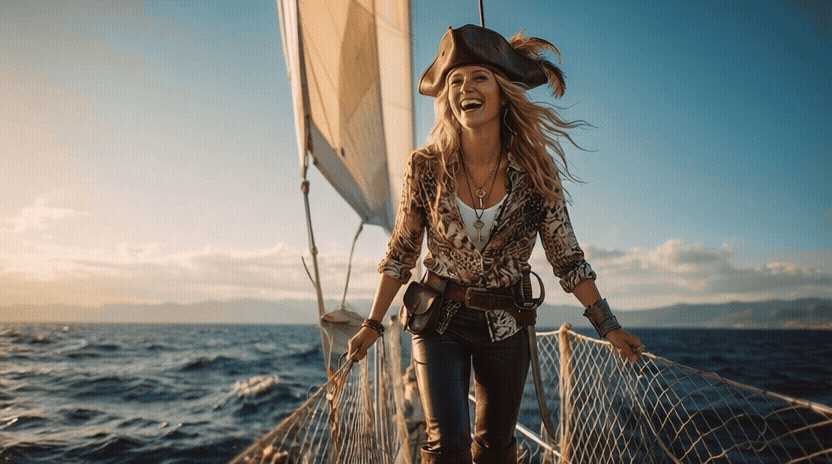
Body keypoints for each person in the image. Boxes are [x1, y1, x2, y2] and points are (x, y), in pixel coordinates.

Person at [348, 24, 643, 464]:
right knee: (446, 446)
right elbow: (401, 252)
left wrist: (608, 326)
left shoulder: (537, 170)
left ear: (503, 93)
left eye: (479, 77)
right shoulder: (424, 166)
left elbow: (566, 258)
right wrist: (372, 324)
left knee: (495, 448)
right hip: (438, 320)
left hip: (507, 323)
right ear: (448, 98)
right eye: (455, 81)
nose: (465, 87)